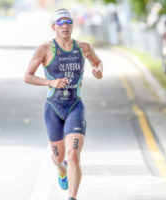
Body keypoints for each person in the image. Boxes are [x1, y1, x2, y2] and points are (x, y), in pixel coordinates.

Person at [24, 8, 103, 200]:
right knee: (59, 158)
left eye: (68, 22)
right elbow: (28, 77)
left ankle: (72, 197)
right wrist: (50, 82)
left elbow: (97, 62)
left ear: (73, 25)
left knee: (73, 154)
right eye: (60, 23)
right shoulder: (45, 49)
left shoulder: (83, 48)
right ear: (53, 27)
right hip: (53, 108)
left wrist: (98, 70)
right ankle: (61, 169)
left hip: (75, 106)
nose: (65, 26)